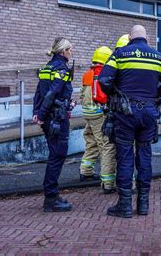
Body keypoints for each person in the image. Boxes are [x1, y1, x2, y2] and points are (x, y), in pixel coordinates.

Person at [99, 25, 161, 218]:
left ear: (130, 37)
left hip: (125, 112)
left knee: (124, 157)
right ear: (146, 38)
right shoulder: (159, 56)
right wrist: (152, 96)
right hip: (149, 112)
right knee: (145, 155)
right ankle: (143, 205)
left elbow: (104, 80)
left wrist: (117, 95)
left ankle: (124, 205)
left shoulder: (119, 54)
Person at [33, 37, 75, 212]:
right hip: (56, 118)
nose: (71, 52)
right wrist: (41, 115)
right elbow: (51, 94)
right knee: (58, 155)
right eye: (69, 49)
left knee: (54, 154)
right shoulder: (61, 69)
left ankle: (51, 195)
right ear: (63, 51)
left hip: (49, 116)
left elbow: (38, 93)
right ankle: (51, 198)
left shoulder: (46, 68)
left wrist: (36, 112)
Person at [79, 46, 117, 194]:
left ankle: (86, 170)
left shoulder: (87, 74)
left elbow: (83, 95)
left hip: (87, 114)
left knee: (91, 142)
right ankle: (108, 180)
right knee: (105, 145)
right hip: (99, 115)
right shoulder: (103, 74)